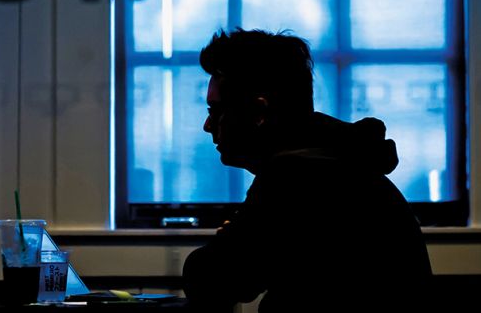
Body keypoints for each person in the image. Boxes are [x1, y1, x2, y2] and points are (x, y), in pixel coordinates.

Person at [182, 28, 432, 311]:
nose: (207, 125)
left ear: (258, 112)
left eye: (216, 110)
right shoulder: (344, 164)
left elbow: (213, 280)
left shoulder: (294, 178)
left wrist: (231, 239)